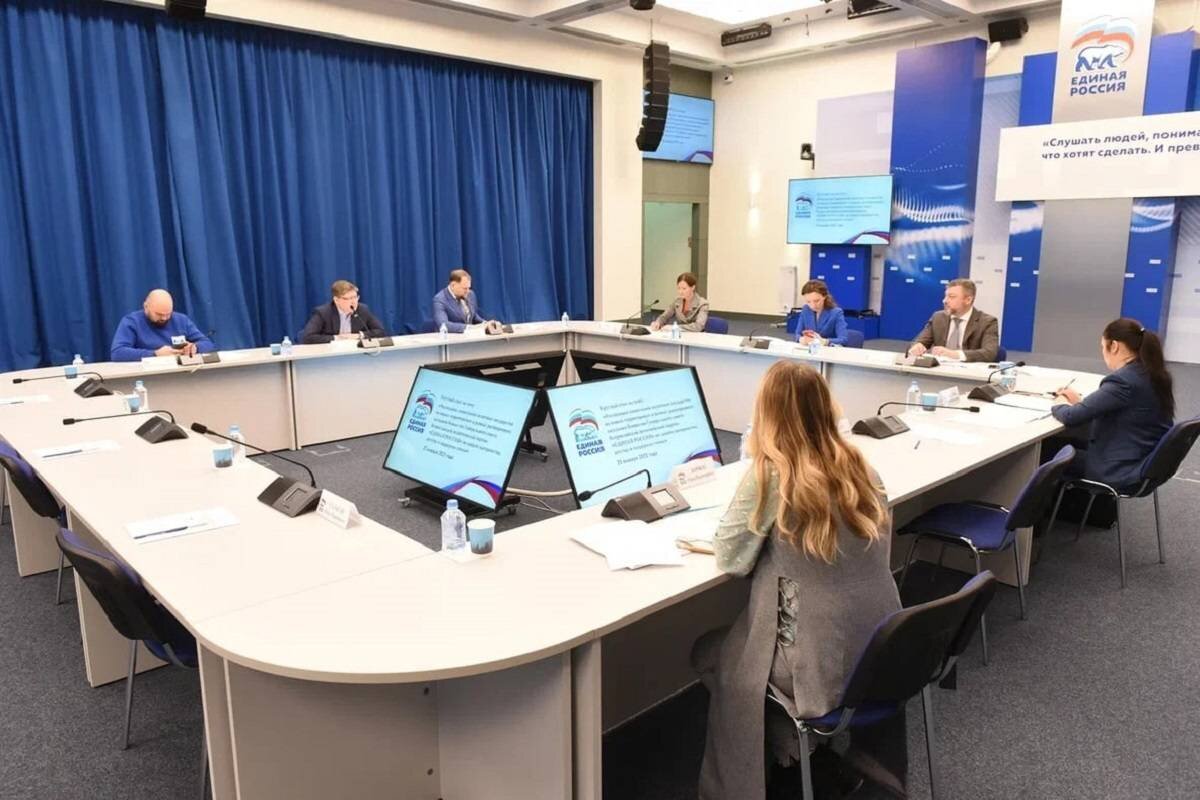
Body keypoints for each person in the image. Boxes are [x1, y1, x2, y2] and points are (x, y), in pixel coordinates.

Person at [693, 361, 904, 800]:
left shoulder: (771, 475)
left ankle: (781, 758)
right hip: (884, 648)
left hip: (819, 664)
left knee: (710, 652)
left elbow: (731, 558)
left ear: (766, 414)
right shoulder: (862, 466)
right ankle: (800, 752)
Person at [1050, 318, 1174, 489]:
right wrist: (1081, 403)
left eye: (1103, 347)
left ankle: (1046, 506)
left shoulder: (1123, 381)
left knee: (1049, 451)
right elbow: (1120, 406)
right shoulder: (1152, 373)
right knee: (1069, 442)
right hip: (1143, 462)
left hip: (1117, 470)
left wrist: (1060, 402)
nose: (1103, 353)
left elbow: (1071, 417)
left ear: (1114, 346)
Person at [907, 278, 999, 362]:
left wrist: (955, 354)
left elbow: (989, 353)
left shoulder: (987, 322)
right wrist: (916, 346)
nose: (944, 301)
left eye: (951, 297)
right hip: (939, 371)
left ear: (968, 300)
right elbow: (918, 341)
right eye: (945, 296)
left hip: (968, 372)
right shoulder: (938, 317)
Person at [110, 289, 216, 362]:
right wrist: (155, 354)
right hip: (147, 375)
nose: (164, 318)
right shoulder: (132, 322)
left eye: (168, 314)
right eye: (159, 314)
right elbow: (117, 353)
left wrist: (195, 348)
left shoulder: (181, 320)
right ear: (146, 307)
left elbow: (208, 343)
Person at [300, 280, 387, 344]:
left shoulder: (362, 310)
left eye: (355, 297)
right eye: (348, 298)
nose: (353, 302)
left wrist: (359, 335)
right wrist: (337, 338)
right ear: (336, 300)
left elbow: (381, 331)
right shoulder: (323, 313)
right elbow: (308, 337)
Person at [431, 269, 502, 334]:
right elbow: (443, 325)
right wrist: (470, 328)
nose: (468, 291)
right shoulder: (440, 300)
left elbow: (473, 316)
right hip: (451, 340)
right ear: (453, 285)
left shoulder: (470, 294)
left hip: (470, 338)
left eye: (469, 288)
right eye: (465, 288)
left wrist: (486, 324)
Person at [795, 279, 848, 346]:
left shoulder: (836, 313)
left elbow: (843, 339)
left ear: (824, 296)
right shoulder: (806, 309)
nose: (813, 306)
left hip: (828, 350)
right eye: (808, 302)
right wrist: (801, 339)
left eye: (816, 301)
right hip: (810, 349)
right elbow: (797, 334)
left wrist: (825, 341)